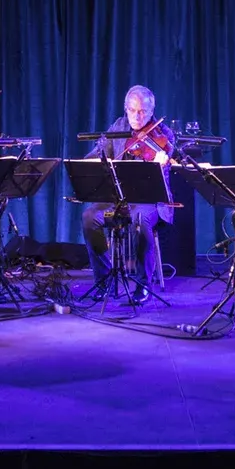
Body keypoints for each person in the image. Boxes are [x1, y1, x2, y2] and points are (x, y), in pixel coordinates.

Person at [81, 85, 177, 306]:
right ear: (126, 109)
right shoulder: (119, 126)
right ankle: (103, 280)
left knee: (141, 218)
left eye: (142, 111)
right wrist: (89, 163)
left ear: (152, 111)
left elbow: (167, 164)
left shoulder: (164, 135)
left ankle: (143, 285)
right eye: (132, 110)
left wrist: (161, 164)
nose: (136, 116)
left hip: (150, 201)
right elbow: (99, 152)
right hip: (120, 198)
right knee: (89, 218)